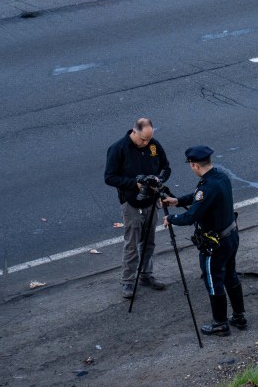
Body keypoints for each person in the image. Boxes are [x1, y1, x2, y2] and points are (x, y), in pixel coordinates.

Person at [162, 146, 246, 336]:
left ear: (194, 165)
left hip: (215, 244)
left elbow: (191, 216)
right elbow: (200, 199)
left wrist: (171, 219)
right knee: (230, 275)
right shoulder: (221, 176)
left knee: (213, 280)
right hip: (231, 236)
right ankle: (239, 316)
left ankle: (220, 323)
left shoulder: (206, 186)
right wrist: (178, 201)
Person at [104, 118, 171, 299]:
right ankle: (127, 280)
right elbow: (109, 177)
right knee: (132, 244)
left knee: (149, 241)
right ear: (134, 132)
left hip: (151, 200)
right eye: (143, 139)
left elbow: (166, 167)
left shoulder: (153, 145)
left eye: (149, 139)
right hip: (131, 202)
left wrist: (159, 180)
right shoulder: (118, 149)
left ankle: (146, 274)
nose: (146, 143)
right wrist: (135, 184)